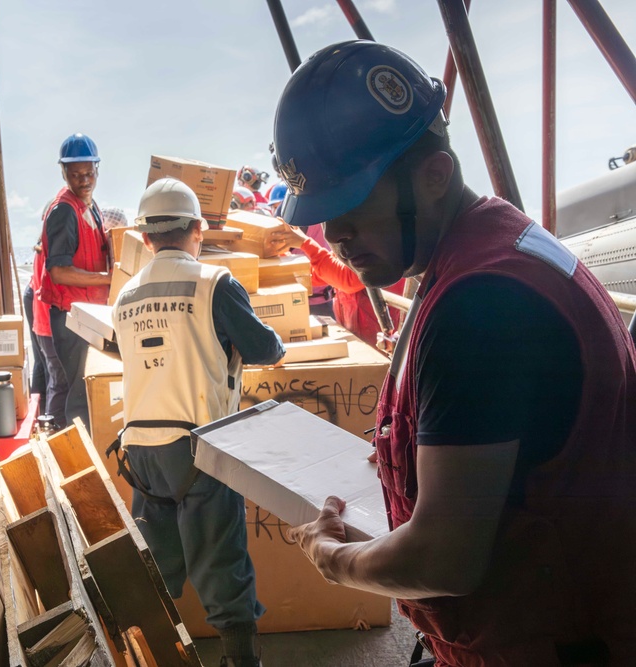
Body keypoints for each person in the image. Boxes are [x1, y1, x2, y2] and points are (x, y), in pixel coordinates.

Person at [272, 40, 636, 665]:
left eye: (352, 204)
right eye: (324, 213)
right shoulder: (492, 248)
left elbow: (445, 557)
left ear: (434, 175)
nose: (335, 234)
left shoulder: (480, 306)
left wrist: (337, 560)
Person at [110, 178, 285, 667]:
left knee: (156, 567)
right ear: (198, 230)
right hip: (199, 447)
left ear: (145, 238)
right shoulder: (214, 283)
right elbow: (265, 348)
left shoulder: (124, 296)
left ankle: (141, 656)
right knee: (222, 567)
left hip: (141, 453)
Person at [38, 133, 112, 431]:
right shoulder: (64, 211)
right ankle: (78, 456)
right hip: (71, 318)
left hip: (89, 314)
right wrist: (108, 279)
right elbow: (59, 272)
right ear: (64, 172)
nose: (84, 180)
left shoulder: (90, 206)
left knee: (88, 386)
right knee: (79, 392)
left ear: (97, 169)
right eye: (76, 174)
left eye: (89, 173)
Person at [269, 220, 404, 347]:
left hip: (380, 337)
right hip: (358, 332)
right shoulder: (350, 237)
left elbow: (348, 279)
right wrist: (281, 263)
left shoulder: (376, 235)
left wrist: (305, 243)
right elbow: (321, 275)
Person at [26, 233, 68, 427]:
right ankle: (55, 435)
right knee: (60, 382)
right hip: (49, 322)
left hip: (44, 320)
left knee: (51, 374)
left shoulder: (46, 246)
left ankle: (45, 423)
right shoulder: (54, 251)